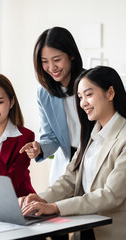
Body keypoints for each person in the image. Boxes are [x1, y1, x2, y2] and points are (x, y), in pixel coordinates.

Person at [19, 66, 126, 240]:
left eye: (89, 95)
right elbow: (70, 179)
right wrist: (41, 200)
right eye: (80, 97)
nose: (82, 103)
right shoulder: (91, 135)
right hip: (86, 228)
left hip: (120, 231)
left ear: (110, 93)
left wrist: (55, 207)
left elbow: (111, 195)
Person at [19, 26, 84, 185]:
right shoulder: (44, 93)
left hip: (94, 161)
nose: (52, 67)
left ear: (71, 55)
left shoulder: (91, 84)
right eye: (44, 62)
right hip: (66, 168)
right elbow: (50, 137)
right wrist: (39, 148)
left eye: (57, 60)